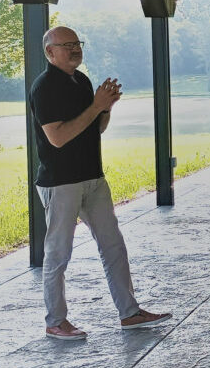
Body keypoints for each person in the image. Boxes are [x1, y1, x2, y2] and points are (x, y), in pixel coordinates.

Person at [28, 26, 171, 341]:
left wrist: (106, 107)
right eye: (67, 45)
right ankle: (55, 321)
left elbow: (97, 128)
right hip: (61, 183)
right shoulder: (44, 87)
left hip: (93, 178)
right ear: (50, 52)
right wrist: (96, 106)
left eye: (77, 43)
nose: (75, 49)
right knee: (58, 252)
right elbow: (59, 138)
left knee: (113, 246)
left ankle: (130, 313)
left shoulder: (81, 82)